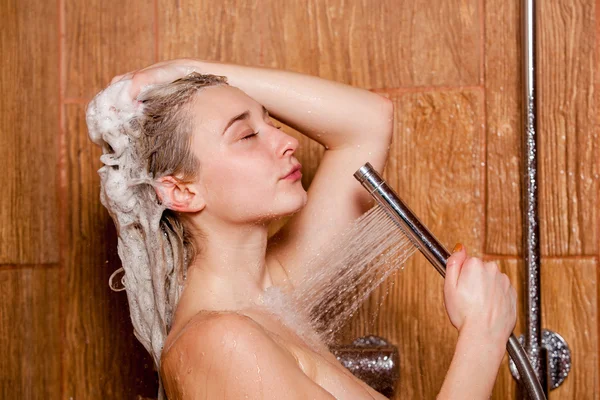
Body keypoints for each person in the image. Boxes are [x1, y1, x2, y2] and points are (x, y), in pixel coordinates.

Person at [103, 59, 517, 399]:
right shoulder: (218, 343)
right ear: (181, 191)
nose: (288, 143)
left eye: (272, 124)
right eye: (247, 135)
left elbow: (367, 123)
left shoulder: (274, 296)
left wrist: (187, 70)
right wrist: (482, 336)